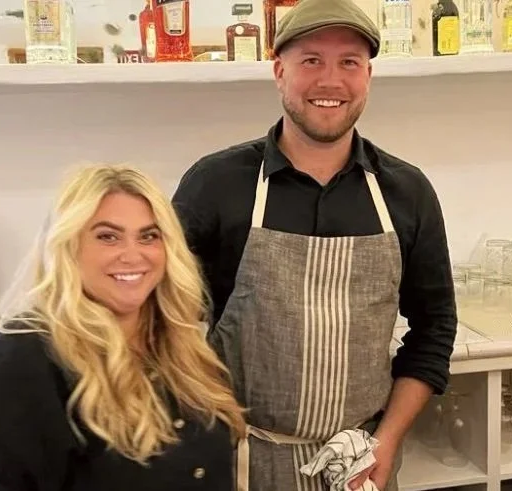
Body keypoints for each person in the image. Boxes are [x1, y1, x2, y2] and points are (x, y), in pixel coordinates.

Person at [171, 0, 458, 490]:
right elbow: (164, 322)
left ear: (368, 76)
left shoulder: (407, 193)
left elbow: (434, 328)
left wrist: (386, 441)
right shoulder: (215, 184)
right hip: (240, 461)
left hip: (359, 464)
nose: (331, 81)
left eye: (349, 62)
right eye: (311, 61)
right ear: (279, 72)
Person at [0, 164, 247, 490]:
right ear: (68, 246)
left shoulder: (179, 344)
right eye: (107, 237)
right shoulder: (18, 365)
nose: (132, 255)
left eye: (148, 236)